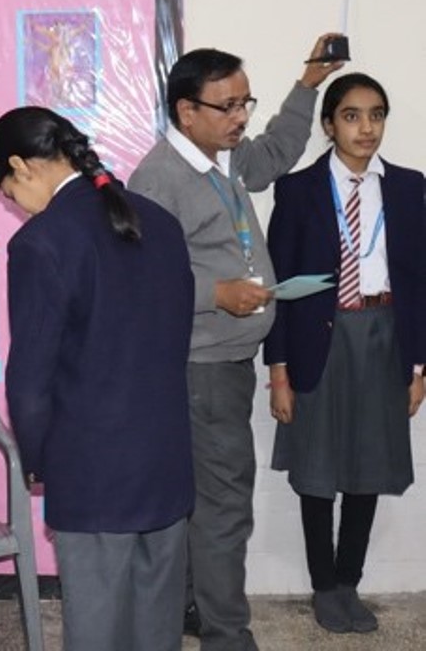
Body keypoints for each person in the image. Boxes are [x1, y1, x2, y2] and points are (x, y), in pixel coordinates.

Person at [127, 34, 344, 650]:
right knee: (225, 507)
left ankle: (190, 607)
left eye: (245, 102)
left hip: (225, 363)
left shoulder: (223, 156)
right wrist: (214, 293)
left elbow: (273, 155)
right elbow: (139, 276)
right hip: (200, 367)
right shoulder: (158, 178)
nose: (241, 117)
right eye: (227, 106)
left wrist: (308, 85)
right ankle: (228, 635)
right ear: (185, 111)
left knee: (203, 499)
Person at [0, 106, 195, 650]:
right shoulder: (162, 223)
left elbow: (29, 382)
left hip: (91, 469)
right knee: (158, 628)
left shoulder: (41, 242)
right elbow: (176, 341)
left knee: (97, 631)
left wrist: (40, 461)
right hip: (166, 457)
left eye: (10, 192)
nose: (17, 205)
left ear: (21, 166)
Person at [264, 73, 425, 634]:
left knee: (368, 463)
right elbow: (281, 285)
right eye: (352, 116)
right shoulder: (298, 190)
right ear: (329, 124)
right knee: (317, 467)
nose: (366, 128)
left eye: (376, 115)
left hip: (384, 335)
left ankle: (350, 582)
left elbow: (419, 281)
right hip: (320, 340)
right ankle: (323, 585)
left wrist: (418, 366)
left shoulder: (408, 187)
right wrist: (278, 370)